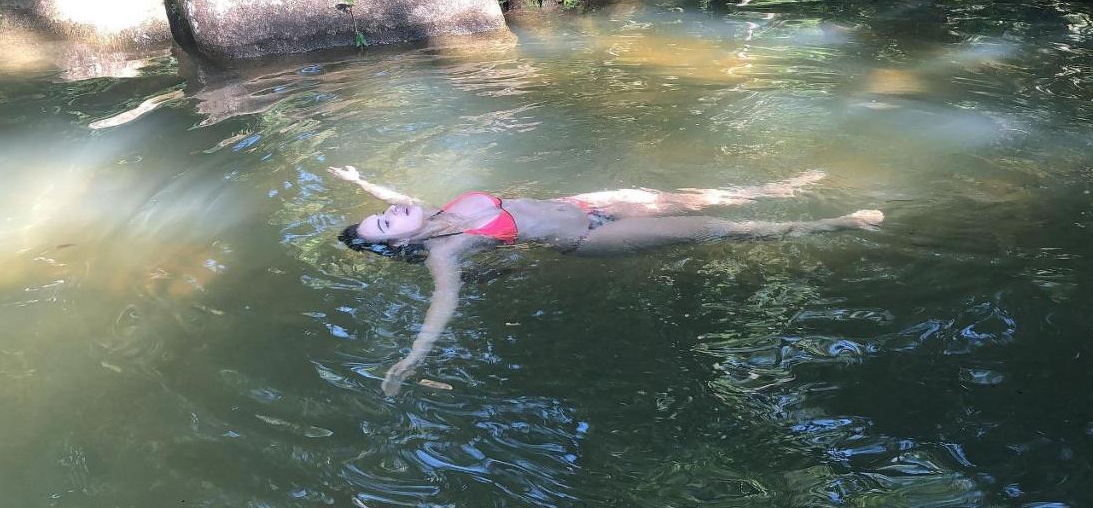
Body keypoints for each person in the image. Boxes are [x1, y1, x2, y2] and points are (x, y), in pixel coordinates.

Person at [329, 165, 883, 395]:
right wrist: (415, 356)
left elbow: (392, 202)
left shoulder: (433, 212)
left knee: (695, 196)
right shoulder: (443, 251)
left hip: (586, 204)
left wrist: (363, 182)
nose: (394, 208)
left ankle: (777, 189)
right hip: (587, 240)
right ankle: (829, 223)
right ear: (402, 243)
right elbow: (442, 305)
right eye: (386, 222)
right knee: (712, 228)